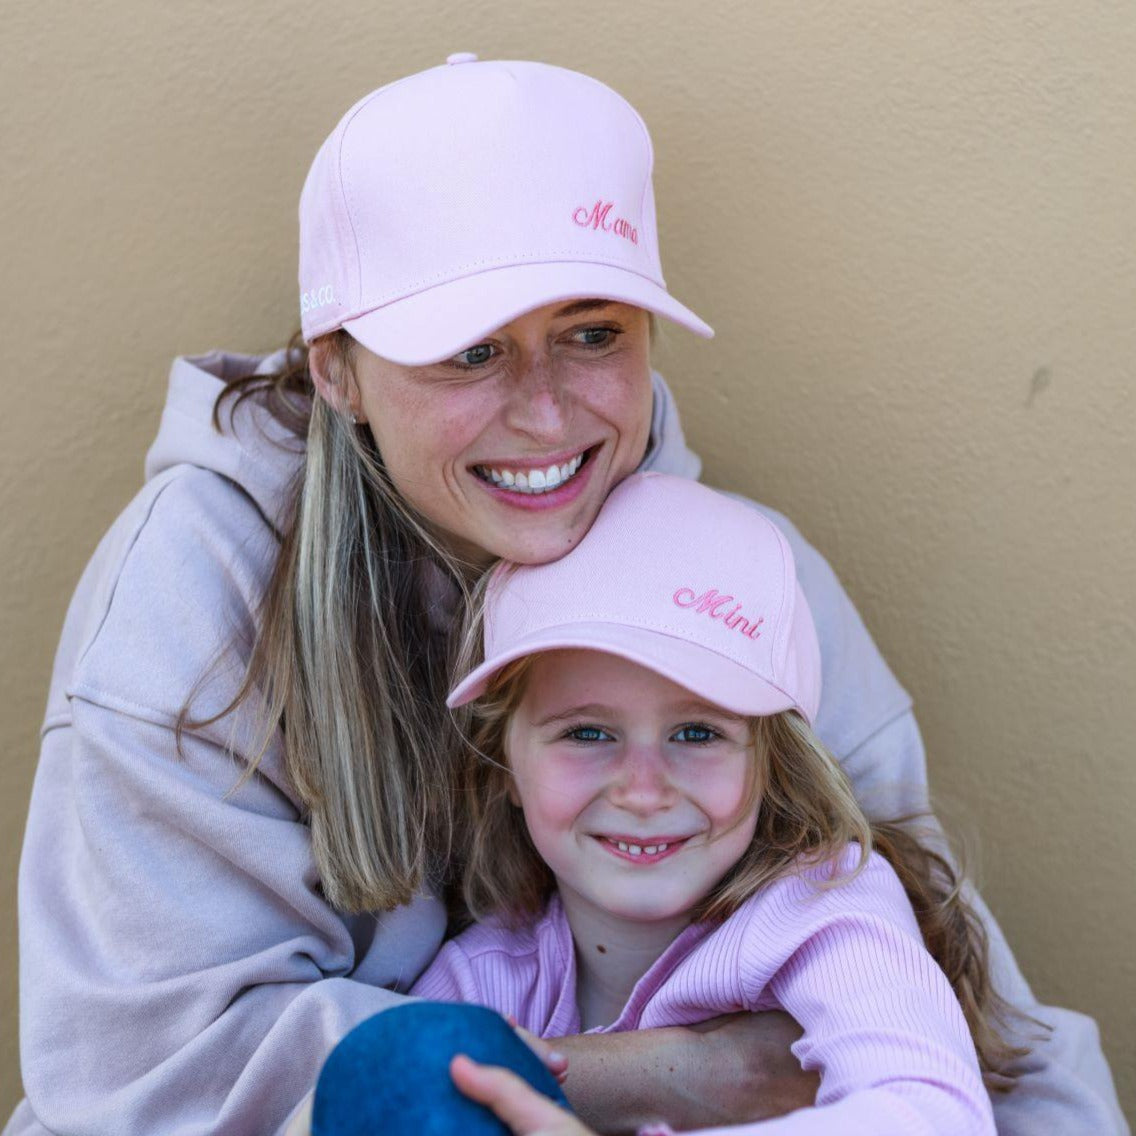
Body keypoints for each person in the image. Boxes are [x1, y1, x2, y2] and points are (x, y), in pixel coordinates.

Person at [6, 55, 1125, 1136]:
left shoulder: (746, 580)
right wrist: (674, 1074)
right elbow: (148, 1077)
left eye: (591, 333)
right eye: (470, 351)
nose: (546, 416)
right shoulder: (200, 589)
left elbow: (972, 1024)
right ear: (335, 367)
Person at [323, 471, 1006, 1135]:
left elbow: (934, 1113)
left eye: (697, 733)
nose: (643, 789)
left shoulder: (823, 912)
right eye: (587, 733)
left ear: (771, 763)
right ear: (505, 761)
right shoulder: (485, 981)